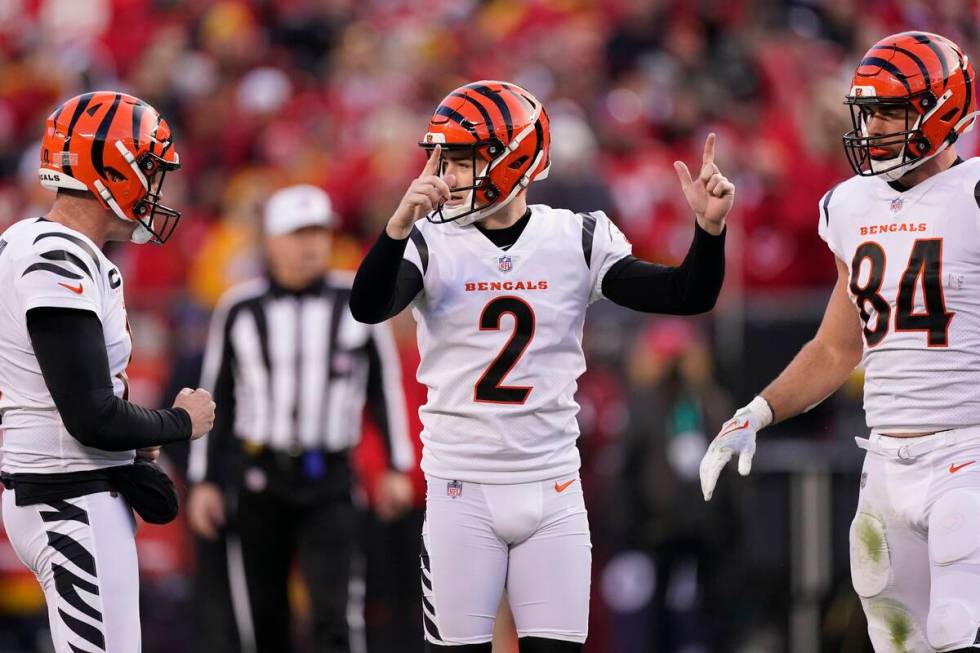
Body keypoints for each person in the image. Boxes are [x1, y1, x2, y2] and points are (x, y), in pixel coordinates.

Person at [350, 80, 733, 652]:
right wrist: (397, 226)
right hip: (461, 489)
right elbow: (369, 304)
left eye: (462, 159)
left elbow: (686, 295)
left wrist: (708, 232)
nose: (447, 176)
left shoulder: (574, 238)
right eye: (444, 160)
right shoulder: (429, 240)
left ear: (515, 157)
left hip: (552, 486)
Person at [699, 31, 980, 653]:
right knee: (897, 641)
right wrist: (758, 411)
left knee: (959, 629)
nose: (875, 127)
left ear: (946, 112)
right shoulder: (851, 205)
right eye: (870, 111)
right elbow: (835, 346)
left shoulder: (974, 196)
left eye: (892, 110)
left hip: (968, 452)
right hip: (882, 459)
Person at [0, 91, 215, 653]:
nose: (155, 186)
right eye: (147, 169)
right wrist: (178, 422)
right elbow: (90, 416)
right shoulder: (55, 256)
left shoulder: (46, 247)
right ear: (109, 168)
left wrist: (138, 442)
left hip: (63, 490)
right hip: (68, 494)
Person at [186, 184, 416, 653]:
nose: (311, 245)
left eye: (318, 232)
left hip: (330, 477)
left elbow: (383, 386)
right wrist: (204, 480)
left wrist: (397, 466)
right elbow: (215, 400)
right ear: (271, 241)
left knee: (335, 616)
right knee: (264, 618)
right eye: (298, 234)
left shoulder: (358, 299)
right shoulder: (239, 309)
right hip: (257, 479)